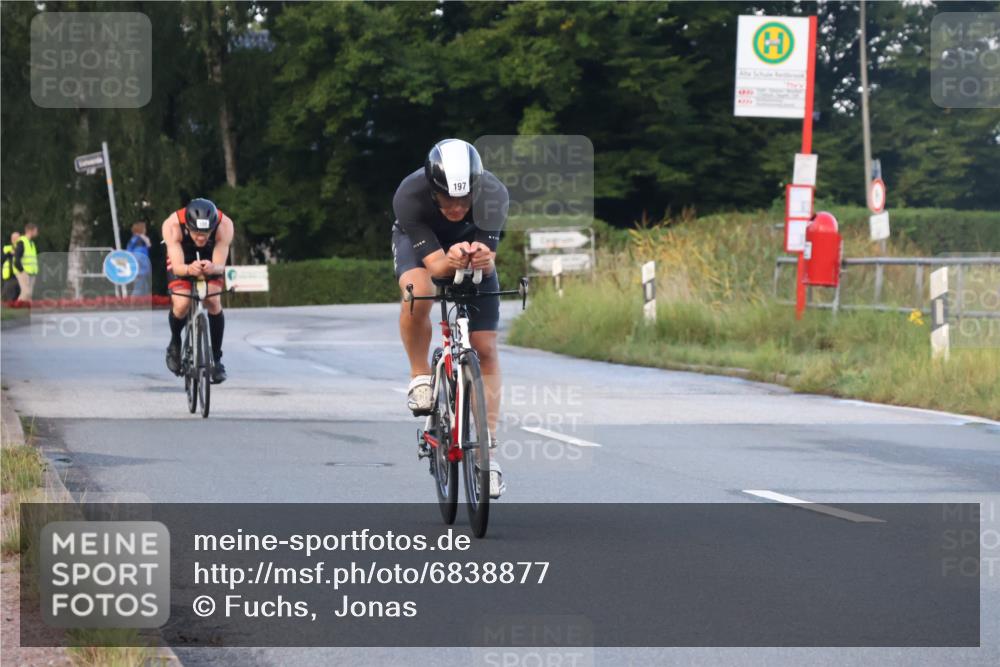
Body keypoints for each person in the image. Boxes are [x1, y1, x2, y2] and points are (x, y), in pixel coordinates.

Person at [392, 138, 509, 497]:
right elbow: (438, 267)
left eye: (464, 198)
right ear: (433, 189)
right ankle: (419, 375)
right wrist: (450, 259)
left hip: (469, 246)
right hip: (422, 247)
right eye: (447, 198)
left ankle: (486, 454)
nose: (456, 206)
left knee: (485, 348)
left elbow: (488, 257)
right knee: (418, 291)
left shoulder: (494, 193)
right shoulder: (409, 195)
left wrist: (479, 256)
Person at [161, 198, 233, 384]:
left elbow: (220, 266)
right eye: (196, 233)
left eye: (206, 233)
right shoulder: (173, 225)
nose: (201, 238)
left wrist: (212, 268)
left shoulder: (224, 225)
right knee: (182, 302)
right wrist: (188, 270)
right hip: (182, 257)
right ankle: (175, 342)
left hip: (211, 257)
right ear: (187, 226)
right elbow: (177, 267)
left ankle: (216, 360)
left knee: (213, 301)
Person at [13, 223, 39, 302]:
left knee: (29, 294)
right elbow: (17, 259)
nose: (37, 232)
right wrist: (22, 270)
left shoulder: (31, 243)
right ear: (30, 231)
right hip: (23, 271)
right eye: (36, 230)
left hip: (31, 272)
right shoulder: (22, 242)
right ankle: (16, 307)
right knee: (26, 292)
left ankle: (26, 310)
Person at [126, 221, 152, 297]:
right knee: (140, 286)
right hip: (140, 266)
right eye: (144, 228)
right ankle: (133, 302)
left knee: (144, 286)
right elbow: (137, 254)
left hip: (141, 266)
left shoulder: (136, 239)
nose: (145, 230)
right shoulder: (137, 239)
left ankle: (140, 302)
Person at [2, 232, 21, 302]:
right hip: (10, 278)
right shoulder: (6, 249)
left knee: (21, 298)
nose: (16, 240)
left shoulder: (22, 249)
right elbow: (2, 259)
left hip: (21, 277)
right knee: (9, 299)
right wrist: (10, 253)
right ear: (11, 239)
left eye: (18, 238)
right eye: (14, 238)